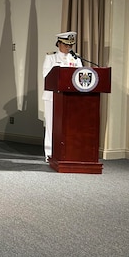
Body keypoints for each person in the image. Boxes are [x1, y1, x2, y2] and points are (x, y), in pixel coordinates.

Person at [42, 31, 82, 162]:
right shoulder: (51, 58)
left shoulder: (76, 59)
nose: (68, 48)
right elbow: (46, 77)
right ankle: (49, 153)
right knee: (51, 126)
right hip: (53, 97)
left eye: (70, 45)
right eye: (65, 45)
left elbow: (80, 77)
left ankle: (68, 153)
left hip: (70, 98)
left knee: (69, 126)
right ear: (59, 43)